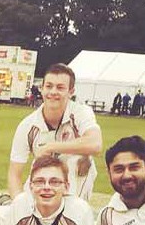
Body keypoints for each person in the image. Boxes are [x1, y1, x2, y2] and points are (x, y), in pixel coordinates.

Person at [7, 63, 102, 202]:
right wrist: (19, 204)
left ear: (71, 92)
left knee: (74, 161)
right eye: (49, 86)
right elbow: (14, 174)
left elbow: (95, 144)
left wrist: (50, 147)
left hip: (76, 177)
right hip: (44, 175)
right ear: (41, 88)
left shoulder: (80, 112)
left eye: (60, 87)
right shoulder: (27, 126)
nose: (53, 92)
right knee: (35, 178)